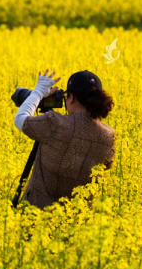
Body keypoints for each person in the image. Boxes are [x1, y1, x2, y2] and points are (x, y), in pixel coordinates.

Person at [13, 69, 115, 209]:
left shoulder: (56, 123)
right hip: (78, 223)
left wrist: (38, 92)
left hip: (37, 219)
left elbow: (20, 119)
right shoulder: (110, 137)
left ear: (71, 97)